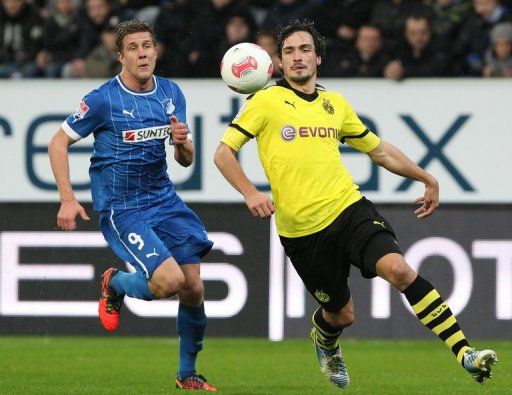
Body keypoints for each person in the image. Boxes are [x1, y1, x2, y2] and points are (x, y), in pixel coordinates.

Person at [213, 19, 498, 388]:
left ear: (318, 58)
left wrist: (426, 177)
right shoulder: (265, 101)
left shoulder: (335, 103)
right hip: (302, 232)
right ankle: (324, 338)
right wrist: (250, 192)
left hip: (349, 209)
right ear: (278, 64)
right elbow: (223, 154)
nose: (297, 57)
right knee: (342, 314)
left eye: (304, 50)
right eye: (288, 52)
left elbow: (378, 149)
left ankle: (466, 353)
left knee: (398, 270)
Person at [48, 19, 217, 392]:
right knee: (169, 281)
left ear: (156, 50)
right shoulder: (103, 99)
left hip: (164, 199)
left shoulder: (171, 93)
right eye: (134, 48)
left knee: (193, 287)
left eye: (147, 46)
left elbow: (186, 160)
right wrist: (67, 197)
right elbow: (57, 143)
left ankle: (187, 375)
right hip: (122, 208)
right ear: (120, 56)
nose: (142, 53)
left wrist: (182, 143)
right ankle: (117, 284)